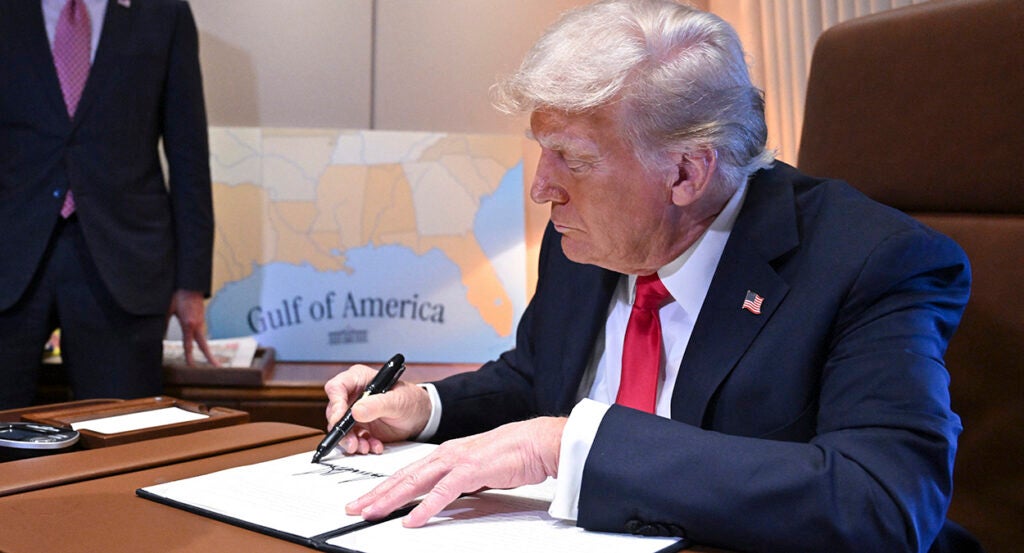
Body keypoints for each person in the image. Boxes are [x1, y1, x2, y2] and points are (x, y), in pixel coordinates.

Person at [323, 1, 977, 551]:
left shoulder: (873, 261)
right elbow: (537, 377)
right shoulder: (588, 236)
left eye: (571, 160)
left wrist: (568, 444)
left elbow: (887, 500)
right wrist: (427, 407)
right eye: (540, 152)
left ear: (687, 172)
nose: (541, 188)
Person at [0, 0, 217, 409]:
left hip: (126, 266)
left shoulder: (164, 13)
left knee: (120, 437)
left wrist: (191, 282)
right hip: (9, 257)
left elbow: (188, 154)